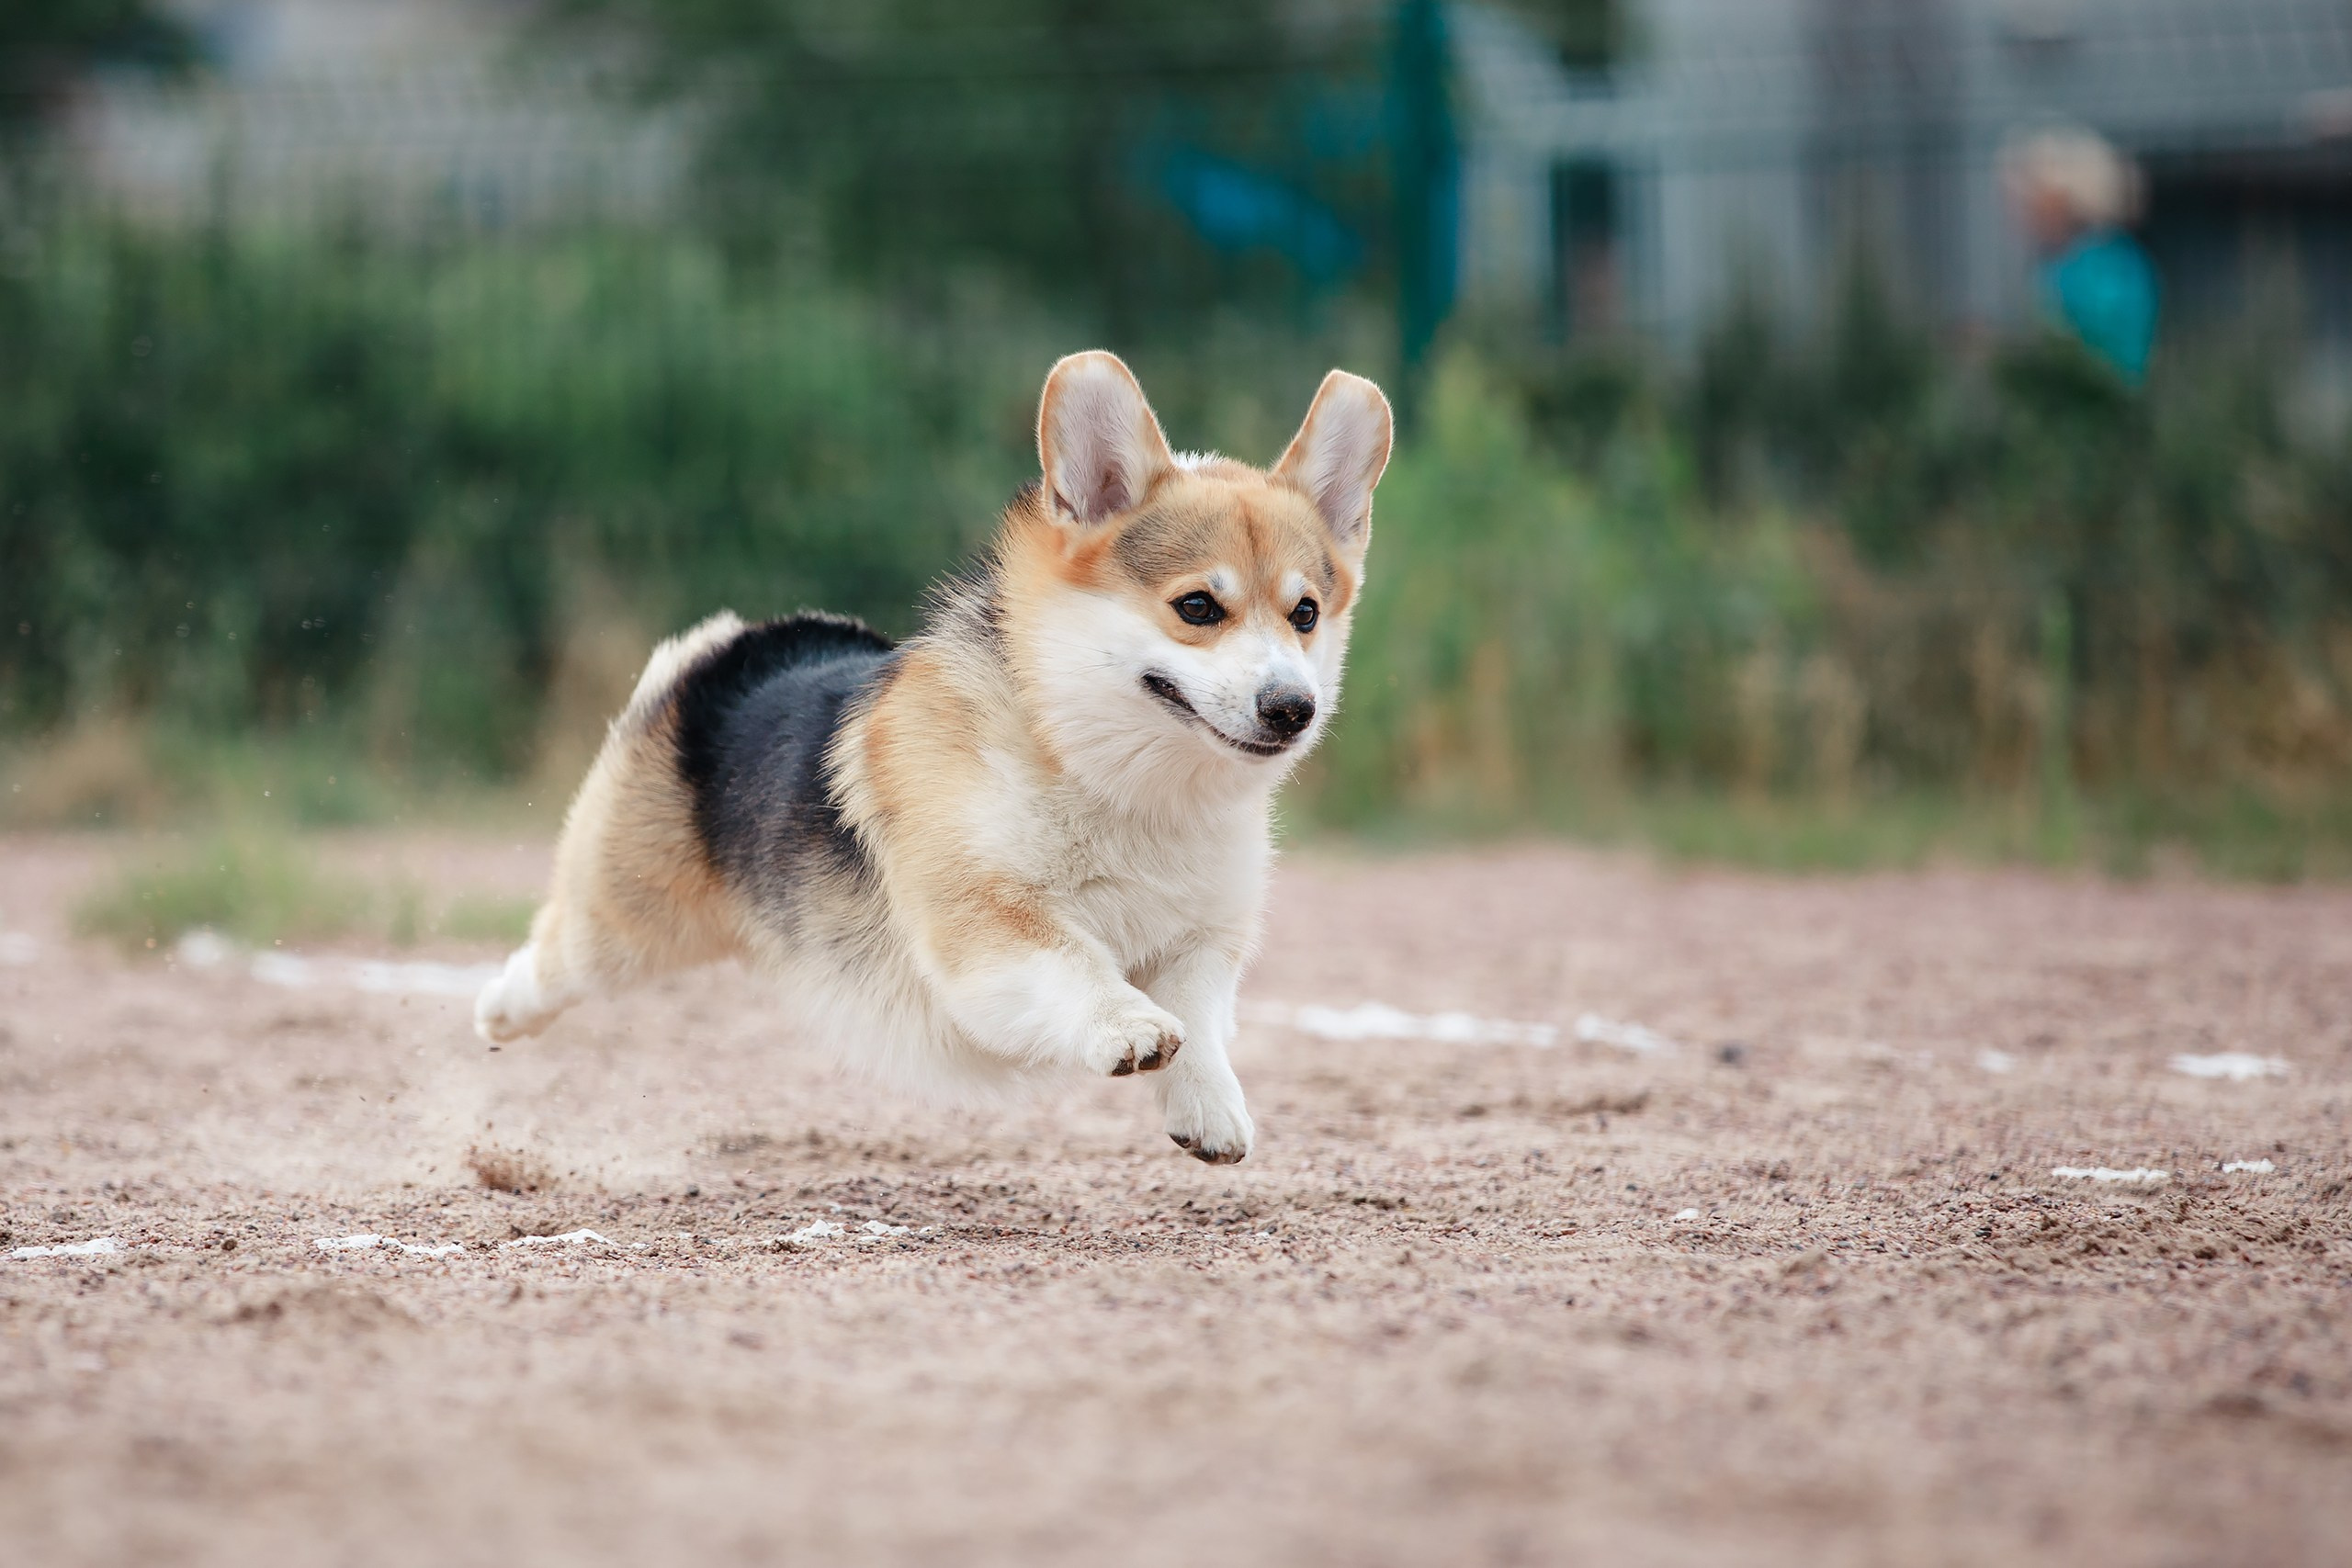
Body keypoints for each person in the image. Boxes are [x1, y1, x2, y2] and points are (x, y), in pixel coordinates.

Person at [2000, 129, 2160, 383]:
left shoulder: (2097, 267)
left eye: (2032, 201)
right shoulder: (2074, 262)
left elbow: (2084, 354)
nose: (2021, 214)